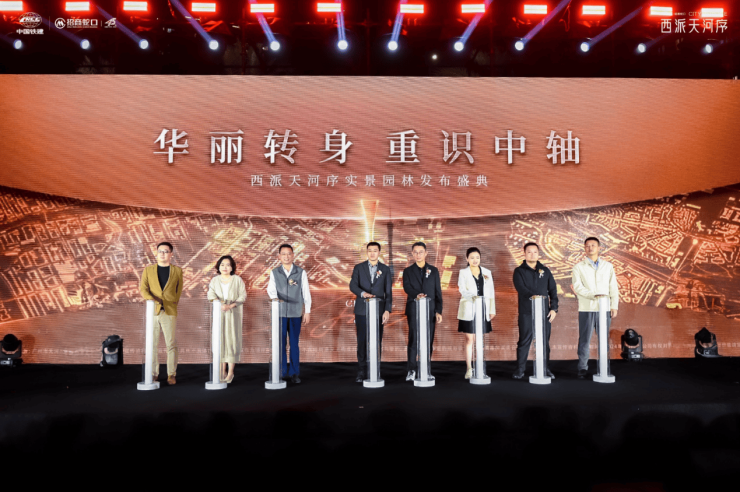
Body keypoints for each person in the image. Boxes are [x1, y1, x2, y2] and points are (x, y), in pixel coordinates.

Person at [571, 237, 619, 379]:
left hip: (604, 309)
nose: (590, 248)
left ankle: (604, 365)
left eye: (593, 245)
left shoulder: (608, 266)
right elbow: (578, 287)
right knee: (584, 339)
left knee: (603, 339)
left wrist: (614, 305)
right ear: (584, 248)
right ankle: (582, 367)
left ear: (599, 248)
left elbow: (613, 287)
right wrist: (593, 295)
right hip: (586, 308)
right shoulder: (578, 267)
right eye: (587, 245)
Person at [139, 241, 184, 385]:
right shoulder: (148, 270)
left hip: (169, 311)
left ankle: (171, 374)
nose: (162, 254)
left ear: (171, 254)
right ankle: (153, 373)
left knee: (171, 343)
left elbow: (178, 290)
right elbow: (143, 289)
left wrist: (173, 303)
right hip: (153, 310)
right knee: (152, 343)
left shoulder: (177, 271)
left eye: (166, 251)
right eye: (160, 251)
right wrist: (152, 300)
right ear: (156, 253)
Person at [512, 242, 558, 380]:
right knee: (524, 341)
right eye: (529, 252)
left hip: (544, 313)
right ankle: (520, 370)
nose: (532, 255)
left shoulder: (545, 271)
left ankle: (545, 368)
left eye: (535, 252)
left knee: (544, 342)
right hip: (527, 312)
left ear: (539, 254)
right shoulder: (519, 271)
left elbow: (553, 290)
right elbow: (521, 289)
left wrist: (554, 308)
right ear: (524, 253)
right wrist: (535, 297)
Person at [267, 244, 311, 384]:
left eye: (289, 253)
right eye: (283, 254)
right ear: (279, 256)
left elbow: (306, 292)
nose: (286, 256)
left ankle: (294, 373)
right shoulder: (275, 272)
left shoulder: (300, 272)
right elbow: (271, 290)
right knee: (279, 344)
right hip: (279, 314)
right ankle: (280, 372)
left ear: (293, 255)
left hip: (295, 313)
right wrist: (275, 299)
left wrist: (307, 311)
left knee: (294, 344)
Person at [349, 241, 393, 383]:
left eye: (375, 250)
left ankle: (375, 368)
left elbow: (388, 292)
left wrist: (387, 310)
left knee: (376, 341)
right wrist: (363, 294)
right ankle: (361, 370)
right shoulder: (359, 267)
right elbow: (353, 285)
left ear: (379, 252)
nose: (372, 253)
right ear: (367, 252)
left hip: (378, 310)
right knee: (362, 341)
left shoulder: (385, 269)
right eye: (370, 250)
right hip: (362, 310)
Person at [402, 241, 443, 381]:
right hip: (414, 309)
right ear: (412, 254)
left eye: (421, 252)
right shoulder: (407, 271)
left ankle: (426, 369)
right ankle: (411, 370)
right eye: (415, 252)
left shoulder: (434, 270)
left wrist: (438, 311)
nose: (418, 255)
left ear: (426, 253)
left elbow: (438, 292)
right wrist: (417, 295)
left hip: (430, 310)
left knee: (428, 340)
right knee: (414, 339)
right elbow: (407, 287)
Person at [207, 255, 247, 384]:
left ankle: (230, 372)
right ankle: (221, 370)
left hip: (233, 314)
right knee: (220, 340)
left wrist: (230, 306)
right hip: (219, 313)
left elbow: (242, 296)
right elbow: (210, 294)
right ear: (218, 266)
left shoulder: (237, 280)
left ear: (232, 267)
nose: (225, 267)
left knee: (232, 341)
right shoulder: (214, 280)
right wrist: (219, 303)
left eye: (228, 265)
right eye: (222, 264)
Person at [457, 247, 496, 379]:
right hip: (469, 308)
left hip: (483, 309)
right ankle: (469, 368)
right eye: (472, 257)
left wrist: (492, 309)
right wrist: (473, 297)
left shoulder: (487, 272)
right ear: (467, 259)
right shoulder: (463, 272)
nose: (475, 260)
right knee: (470, 339)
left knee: (480, 339)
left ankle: (480, 367)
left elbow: (491, 292)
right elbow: (462, 289)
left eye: (477, 257)